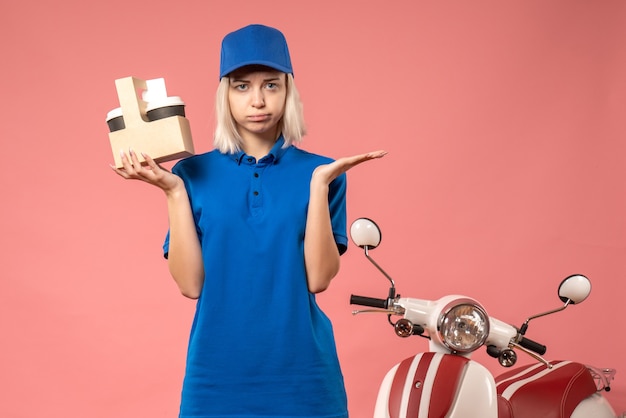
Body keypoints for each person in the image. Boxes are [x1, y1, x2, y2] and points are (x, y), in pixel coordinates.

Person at [112, 23, 386, 418]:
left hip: (305, 376)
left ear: (288, 90)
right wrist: (172, 192)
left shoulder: (325, 172)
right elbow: (190, 285)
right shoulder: (191, 175)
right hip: (215, 376)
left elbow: (318, 279)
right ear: (225, 94)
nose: (257, 100)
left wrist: (319, 186)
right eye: (242, 86)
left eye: (270, 85)